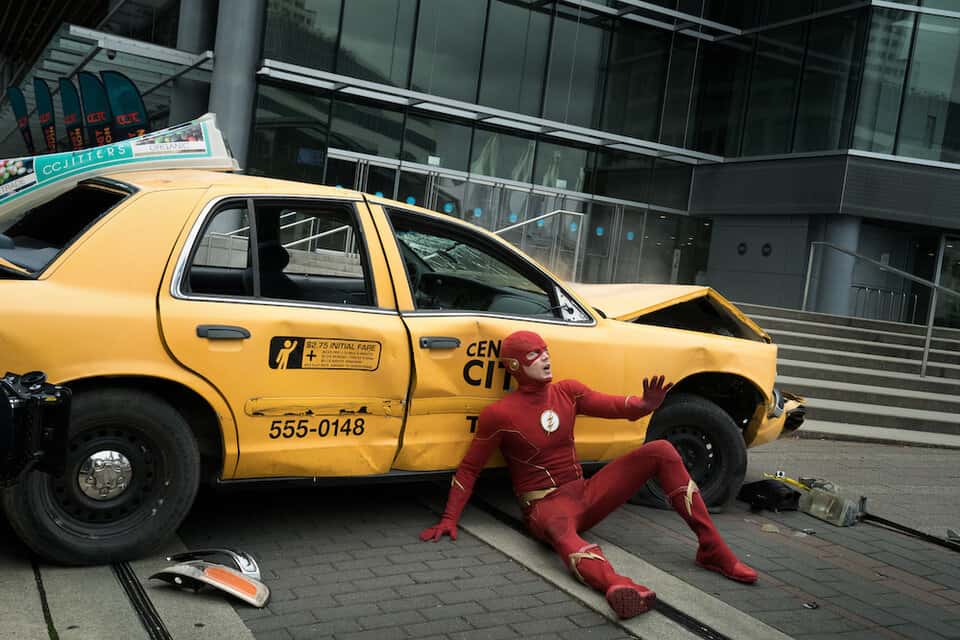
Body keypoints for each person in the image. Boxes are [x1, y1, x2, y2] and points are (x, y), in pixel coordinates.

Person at [420, 330, 757, 619]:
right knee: (563, 533)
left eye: (545, 351)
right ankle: (615, 585)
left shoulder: (567, 391)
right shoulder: (498, 414)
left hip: (584, 492)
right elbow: (470, 468)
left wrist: (644, 405)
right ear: (514, 365)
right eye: (534, 354)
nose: (545, 357)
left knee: (662, 450)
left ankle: (712, 549)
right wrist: (450, 518)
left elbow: (613, 406)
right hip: (545, 508)